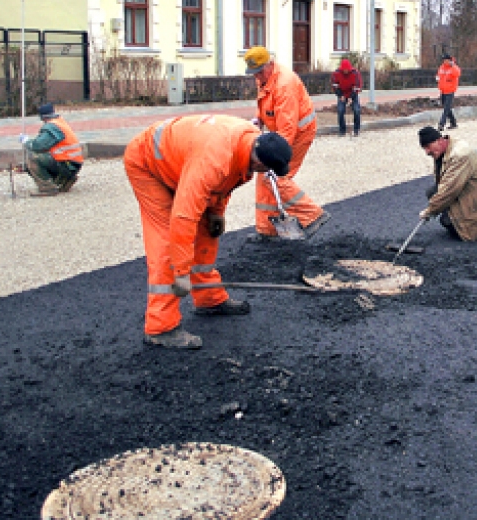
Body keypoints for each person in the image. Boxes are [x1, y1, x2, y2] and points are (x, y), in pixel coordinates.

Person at [124, 115, 293, 349]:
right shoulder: (214, 159)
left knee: (207, 232)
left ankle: (209, 299)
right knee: (166, 242)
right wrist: (181, 272)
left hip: (182, 162)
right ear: (260, 163)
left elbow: (223, 183)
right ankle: (161, 327)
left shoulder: (248, 142)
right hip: (149, 164)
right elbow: (183, 215)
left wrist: (216, 213)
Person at [245, 46, 330, 240]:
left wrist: (274, 157)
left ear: (269, 64)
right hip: (281, 132)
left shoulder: (284, 85)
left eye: (259, 72)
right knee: (263, 175)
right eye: (254, 73)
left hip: (298, 134)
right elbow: (266, 104)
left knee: (274, 175)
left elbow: (288, 129)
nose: (256, 77)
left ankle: (312, 215)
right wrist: (258, 120)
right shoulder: (265, 78)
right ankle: (267, 230)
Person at [418, 126, 477, 242]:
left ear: (439, 141)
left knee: (460, 227)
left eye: (428, 147)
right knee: (433, 194)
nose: (427, 152)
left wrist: (430, 211)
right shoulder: (442, 151)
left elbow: (449, 189)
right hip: (465, 188)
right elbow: (442, 182)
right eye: (424, 148)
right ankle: (457, 219)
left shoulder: (461, 154)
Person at [19, 103, 83, 195]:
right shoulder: (60, 122)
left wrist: (26, 141)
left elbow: (38, 146)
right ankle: (63, 181)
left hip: (67, 165)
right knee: (38, 160)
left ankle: (47, 188)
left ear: (43, 117)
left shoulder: (51, 127)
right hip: (72, 164)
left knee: (33, 158)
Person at [331, 58, 363, 137]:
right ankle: (342, 130)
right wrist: (340, 95)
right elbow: (335, 86)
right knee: (340, 110)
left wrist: (351, 97)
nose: (346, 71)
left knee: (357, 110)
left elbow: (357, 87)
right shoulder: (336, 74)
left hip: (353, 94)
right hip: (342, 94)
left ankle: (356, 130)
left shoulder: (355, 73)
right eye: (344, 70)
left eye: (347, 70)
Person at [436, 54, 461, 131]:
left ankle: (441, 124)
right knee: (447, 107)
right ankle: (453, 123)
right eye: (444, 60)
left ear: (450, 60)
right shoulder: (442, 67)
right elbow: (439, 75)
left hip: (450, 91)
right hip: (443, 90)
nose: (444, 61)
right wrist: (438, 79)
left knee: (446, 108)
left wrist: (453, 66)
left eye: (446, 60)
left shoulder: (454, 68)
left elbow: (457, 74)